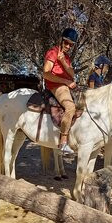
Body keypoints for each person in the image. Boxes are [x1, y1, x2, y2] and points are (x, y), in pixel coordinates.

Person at [43, 27, 78, 155]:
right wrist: (66, 82)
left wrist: (63, 61)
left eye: (71, 44)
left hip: (67, 86)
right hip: (56, 86)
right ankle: (63, 141)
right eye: (66, 42)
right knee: (70, 107)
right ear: (61, 40)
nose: (68, 46)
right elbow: (46, 74)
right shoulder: (52, 52)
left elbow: (72, 73)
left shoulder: (66, 58)